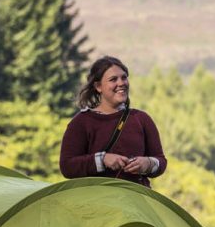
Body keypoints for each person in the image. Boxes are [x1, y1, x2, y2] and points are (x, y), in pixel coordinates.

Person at [59, 56, 167, 186]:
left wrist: (148, 164)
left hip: (136, 201)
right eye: (113, 79)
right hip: (97, 202)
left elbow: (161, 161)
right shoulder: (81, 122)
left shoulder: (141, 118)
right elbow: (67, 166)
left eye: (124, 77)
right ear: (98, 86)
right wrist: (102, 160)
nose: (121, 83)